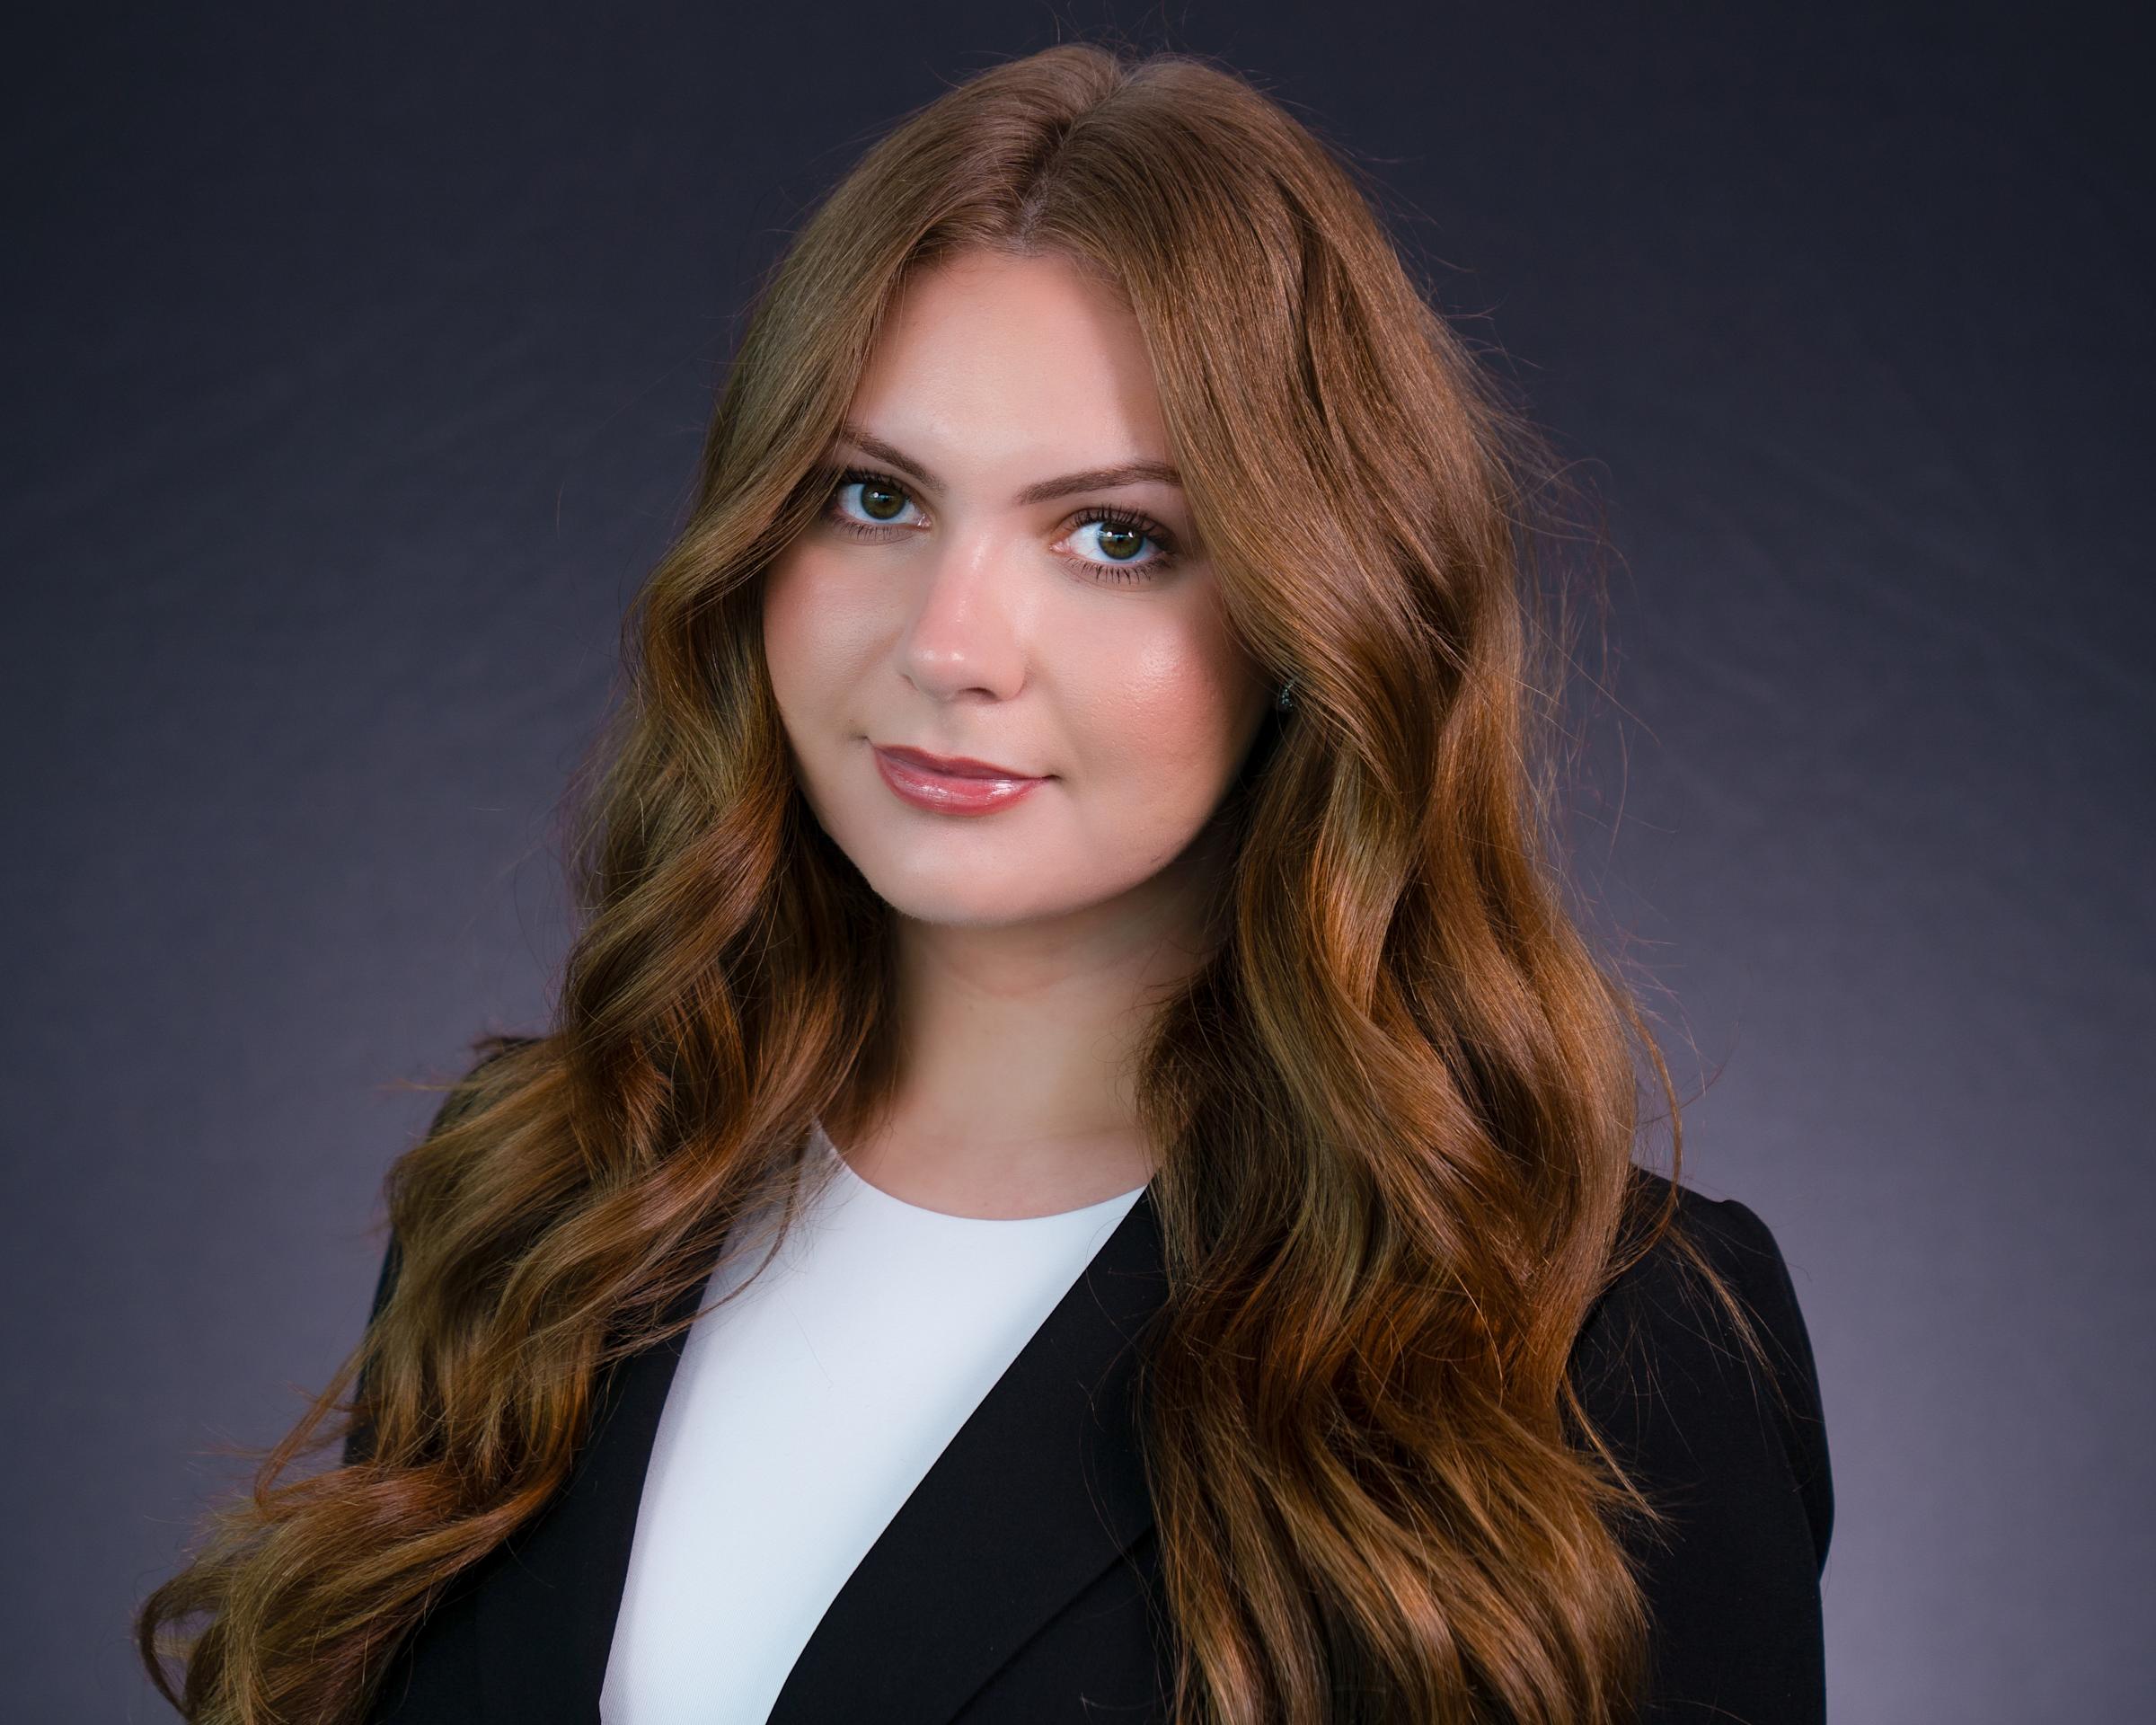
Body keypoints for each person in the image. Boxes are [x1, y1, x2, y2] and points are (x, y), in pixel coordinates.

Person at [137, 39, 1832, 1725]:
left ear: (1316, 620)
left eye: (1116, 537)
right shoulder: (538, 1199)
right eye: (874, 498)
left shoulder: (1603, 1345)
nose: (951, 646)